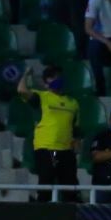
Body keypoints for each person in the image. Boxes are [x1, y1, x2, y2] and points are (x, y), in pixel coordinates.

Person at [17, 65, 79, 202]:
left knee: (71, 189)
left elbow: (75, 127)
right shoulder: (41, 97)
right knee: (46, 185)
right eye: (52, 77)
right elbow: (21, 90)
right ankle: (42, 217)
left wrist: (75, 143)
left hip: (66, 150)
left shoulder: (73, 103)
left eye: (58, 76)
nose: (56, 79)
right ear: (45, 83)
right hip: (47, 149)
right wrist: (27, 73)